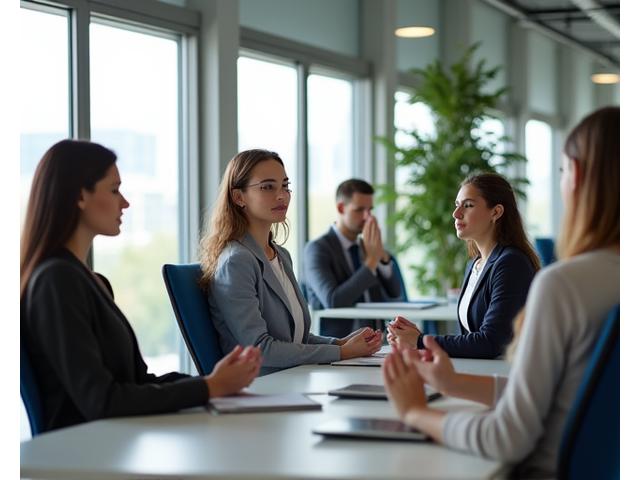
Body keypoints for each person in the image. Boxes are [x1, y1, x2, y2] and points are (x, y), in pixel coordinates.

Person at [382, 106, 619, 478]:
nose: (457, 213)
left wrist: (416, 413)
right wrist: (454, 382)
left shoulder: (565, 286)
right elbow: (565, 392)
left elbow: (508, 437)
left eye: (561, 171)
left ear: (576, 175)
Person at [21, 140, 262, 433]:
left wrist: (213, 383)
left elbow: (137, 382)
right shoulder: (55, 282)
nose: (125, 202)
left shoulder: (90, 281)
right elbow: (102, 401)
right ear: (80, 196)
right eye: (114, 190)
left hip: (114, 441)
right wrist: (210, 387)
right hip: (85, 453)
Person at [200, 150, 382, 376]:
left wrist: (340, 343)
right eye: (268, 187)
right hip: (261, 385)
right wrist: (342, 353)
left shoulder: (281, 255)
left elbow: (297, 339)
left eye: (285, 186)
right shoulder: (236, 261)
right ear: (239, 197)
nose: (282, 195)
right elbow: (260, 349)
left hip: (291, 377)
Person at [387, 173, 540, 359]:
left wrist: (420, 340)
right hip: (479, 371)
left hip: (504, 378)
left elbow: (491, 342)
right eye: (457, 205)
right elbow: (470, 338)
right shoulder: (474, 264)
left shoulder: (511, 263)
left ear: (496, 212)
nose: (456, 213)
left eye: (468, 205)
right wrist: (414, 338)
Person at [302, 179, 403, 337]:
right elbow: (333, 300)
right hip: (339, 345)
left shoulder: (369, 246)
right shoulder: (317, 249)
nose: (367, 217)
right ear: (341, 208)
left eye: (370, 210)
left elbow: (395, 292)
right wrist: (371, 262)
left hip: (379, 341)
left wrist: (382, 257)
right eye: (359, 210)